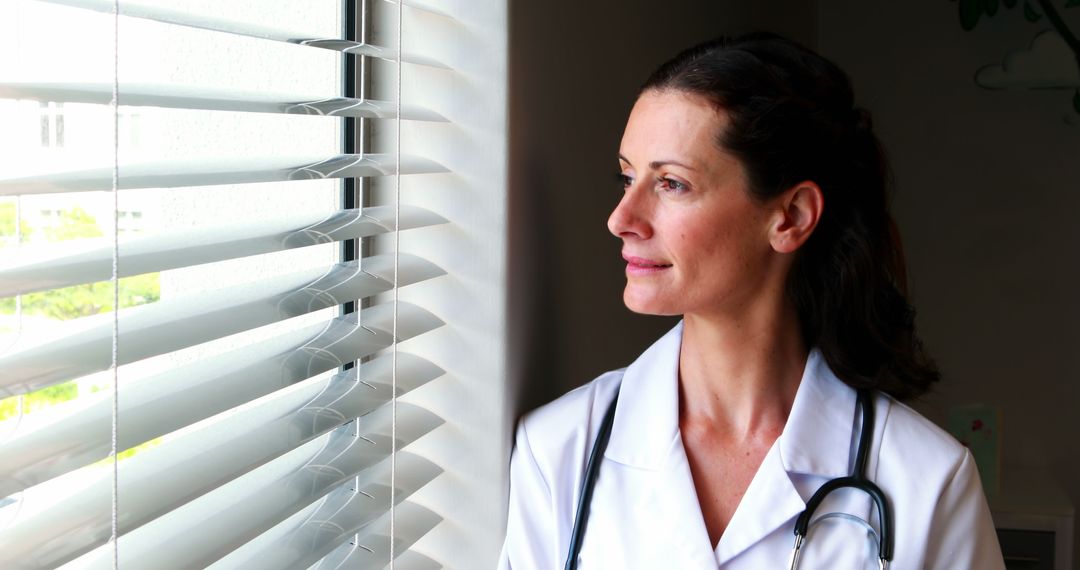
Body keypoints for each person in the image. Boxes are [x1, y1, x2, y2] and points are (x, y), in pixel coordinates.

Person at [498, 32, 1005, 569]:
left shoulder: (925, 481)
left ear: (790, 217)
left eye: (671, 183)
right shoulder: (558, 450)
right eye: (627, 177)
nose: (621, 219)